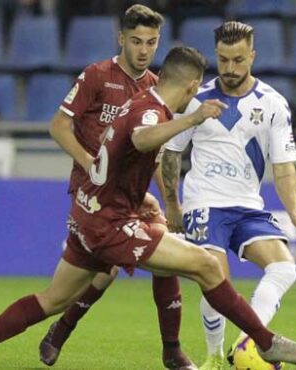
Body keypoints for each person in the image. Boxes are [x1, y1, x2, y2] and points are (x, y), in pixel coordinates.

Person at [0, 46, 296, 370]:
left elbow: (121, 160)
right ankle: (263, 341)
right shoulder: (152, 113)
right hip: (111, 225)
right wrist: (193, 118)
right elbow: (140, 138)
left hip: (89, 212)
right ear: (189, 87)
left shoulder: (136, 101)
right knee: (207, 265)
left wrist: (144, 198)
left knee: (52, 299)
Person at [160, 22, 296, 370]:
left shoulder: (273, 103)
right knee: (215, 277)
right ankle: (215, 356)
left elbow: (283, 166)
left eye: (238, 60)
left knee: (284, 268)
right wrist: (173, 203)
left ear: (252, 56)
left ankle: (248, 340)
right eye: (223, 59)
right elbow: (171, 152)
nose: (230, 68)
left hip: (247, 206)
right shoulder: (195, 98)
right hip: (205, 203)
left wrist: (293, 210)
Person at [45, 5, 195, 369]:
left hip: (129, 194)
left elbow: (153, 154)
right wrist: (91, 165)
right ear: (121, 39)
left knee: (160, 256)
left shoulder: (156, 89)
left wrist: (168, 201)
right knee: (104, 271)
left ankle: (172, 350)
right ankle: (60, 329)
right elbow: (58, 127)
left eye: (152, 42)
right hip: (92, 193)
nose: (144, 50)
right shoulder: (97, 75)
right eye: (137, 41)